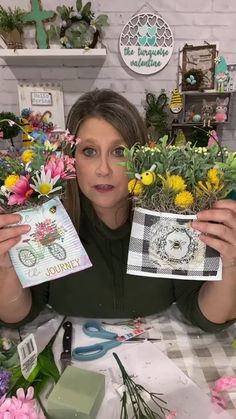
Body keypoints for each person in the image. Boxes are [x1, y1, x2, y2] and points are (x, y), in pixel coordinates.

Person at [0, 89, 236, 332]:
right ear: (71, 159)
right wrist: (5, 266)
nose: (103, 169)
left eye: (119, 152)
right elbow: (17, 316)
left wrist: (231, 263)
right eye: (89, 151)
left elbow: (208, 316)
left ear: (142, 159)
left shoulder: (171, 222)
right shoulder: (45, 224)